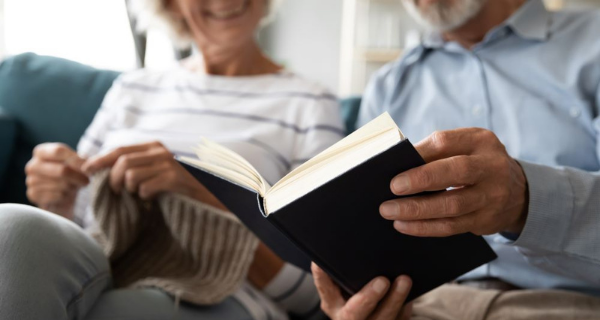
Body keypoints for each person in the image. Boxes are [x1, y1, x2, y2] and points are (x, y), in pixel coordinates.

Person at [0, 0, 345, 319]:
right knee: (13, 226)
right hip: (105, 263)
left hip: (223, 292)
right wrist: (57, 197)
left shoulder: (310, 102)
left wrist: (203, 197)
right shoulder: (132, 89)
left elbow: (317, 296)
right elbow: (74, 230)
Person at [313, 0, 600, 319]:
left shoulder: (593, 42)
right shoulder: (387, 86)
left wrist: (526, 200)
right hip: (420, 309)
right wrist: (358, 303)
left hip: (568, 304)